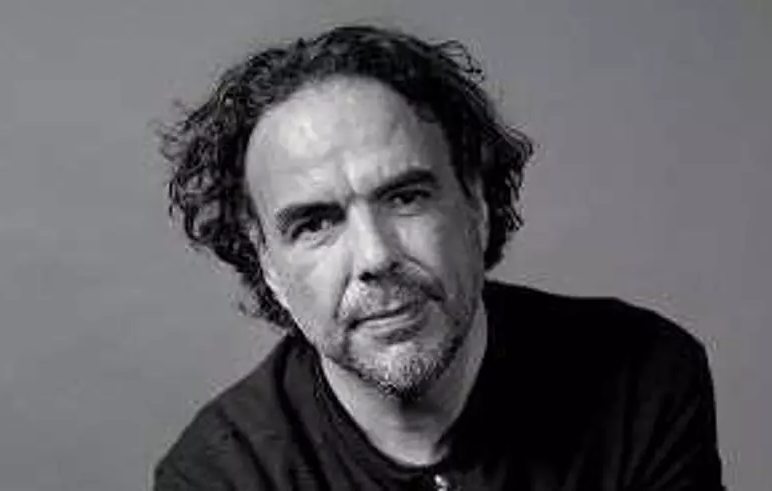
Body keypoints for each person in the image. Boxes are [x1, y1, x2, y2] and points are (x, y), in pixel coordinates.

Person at [153, 24, 725, 490]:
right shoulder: (218, 477)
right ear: (269, 267)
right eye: (315, 224)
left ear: (475, 204)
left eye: (405, 198)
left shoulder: (640, 381)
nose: (376, 256)